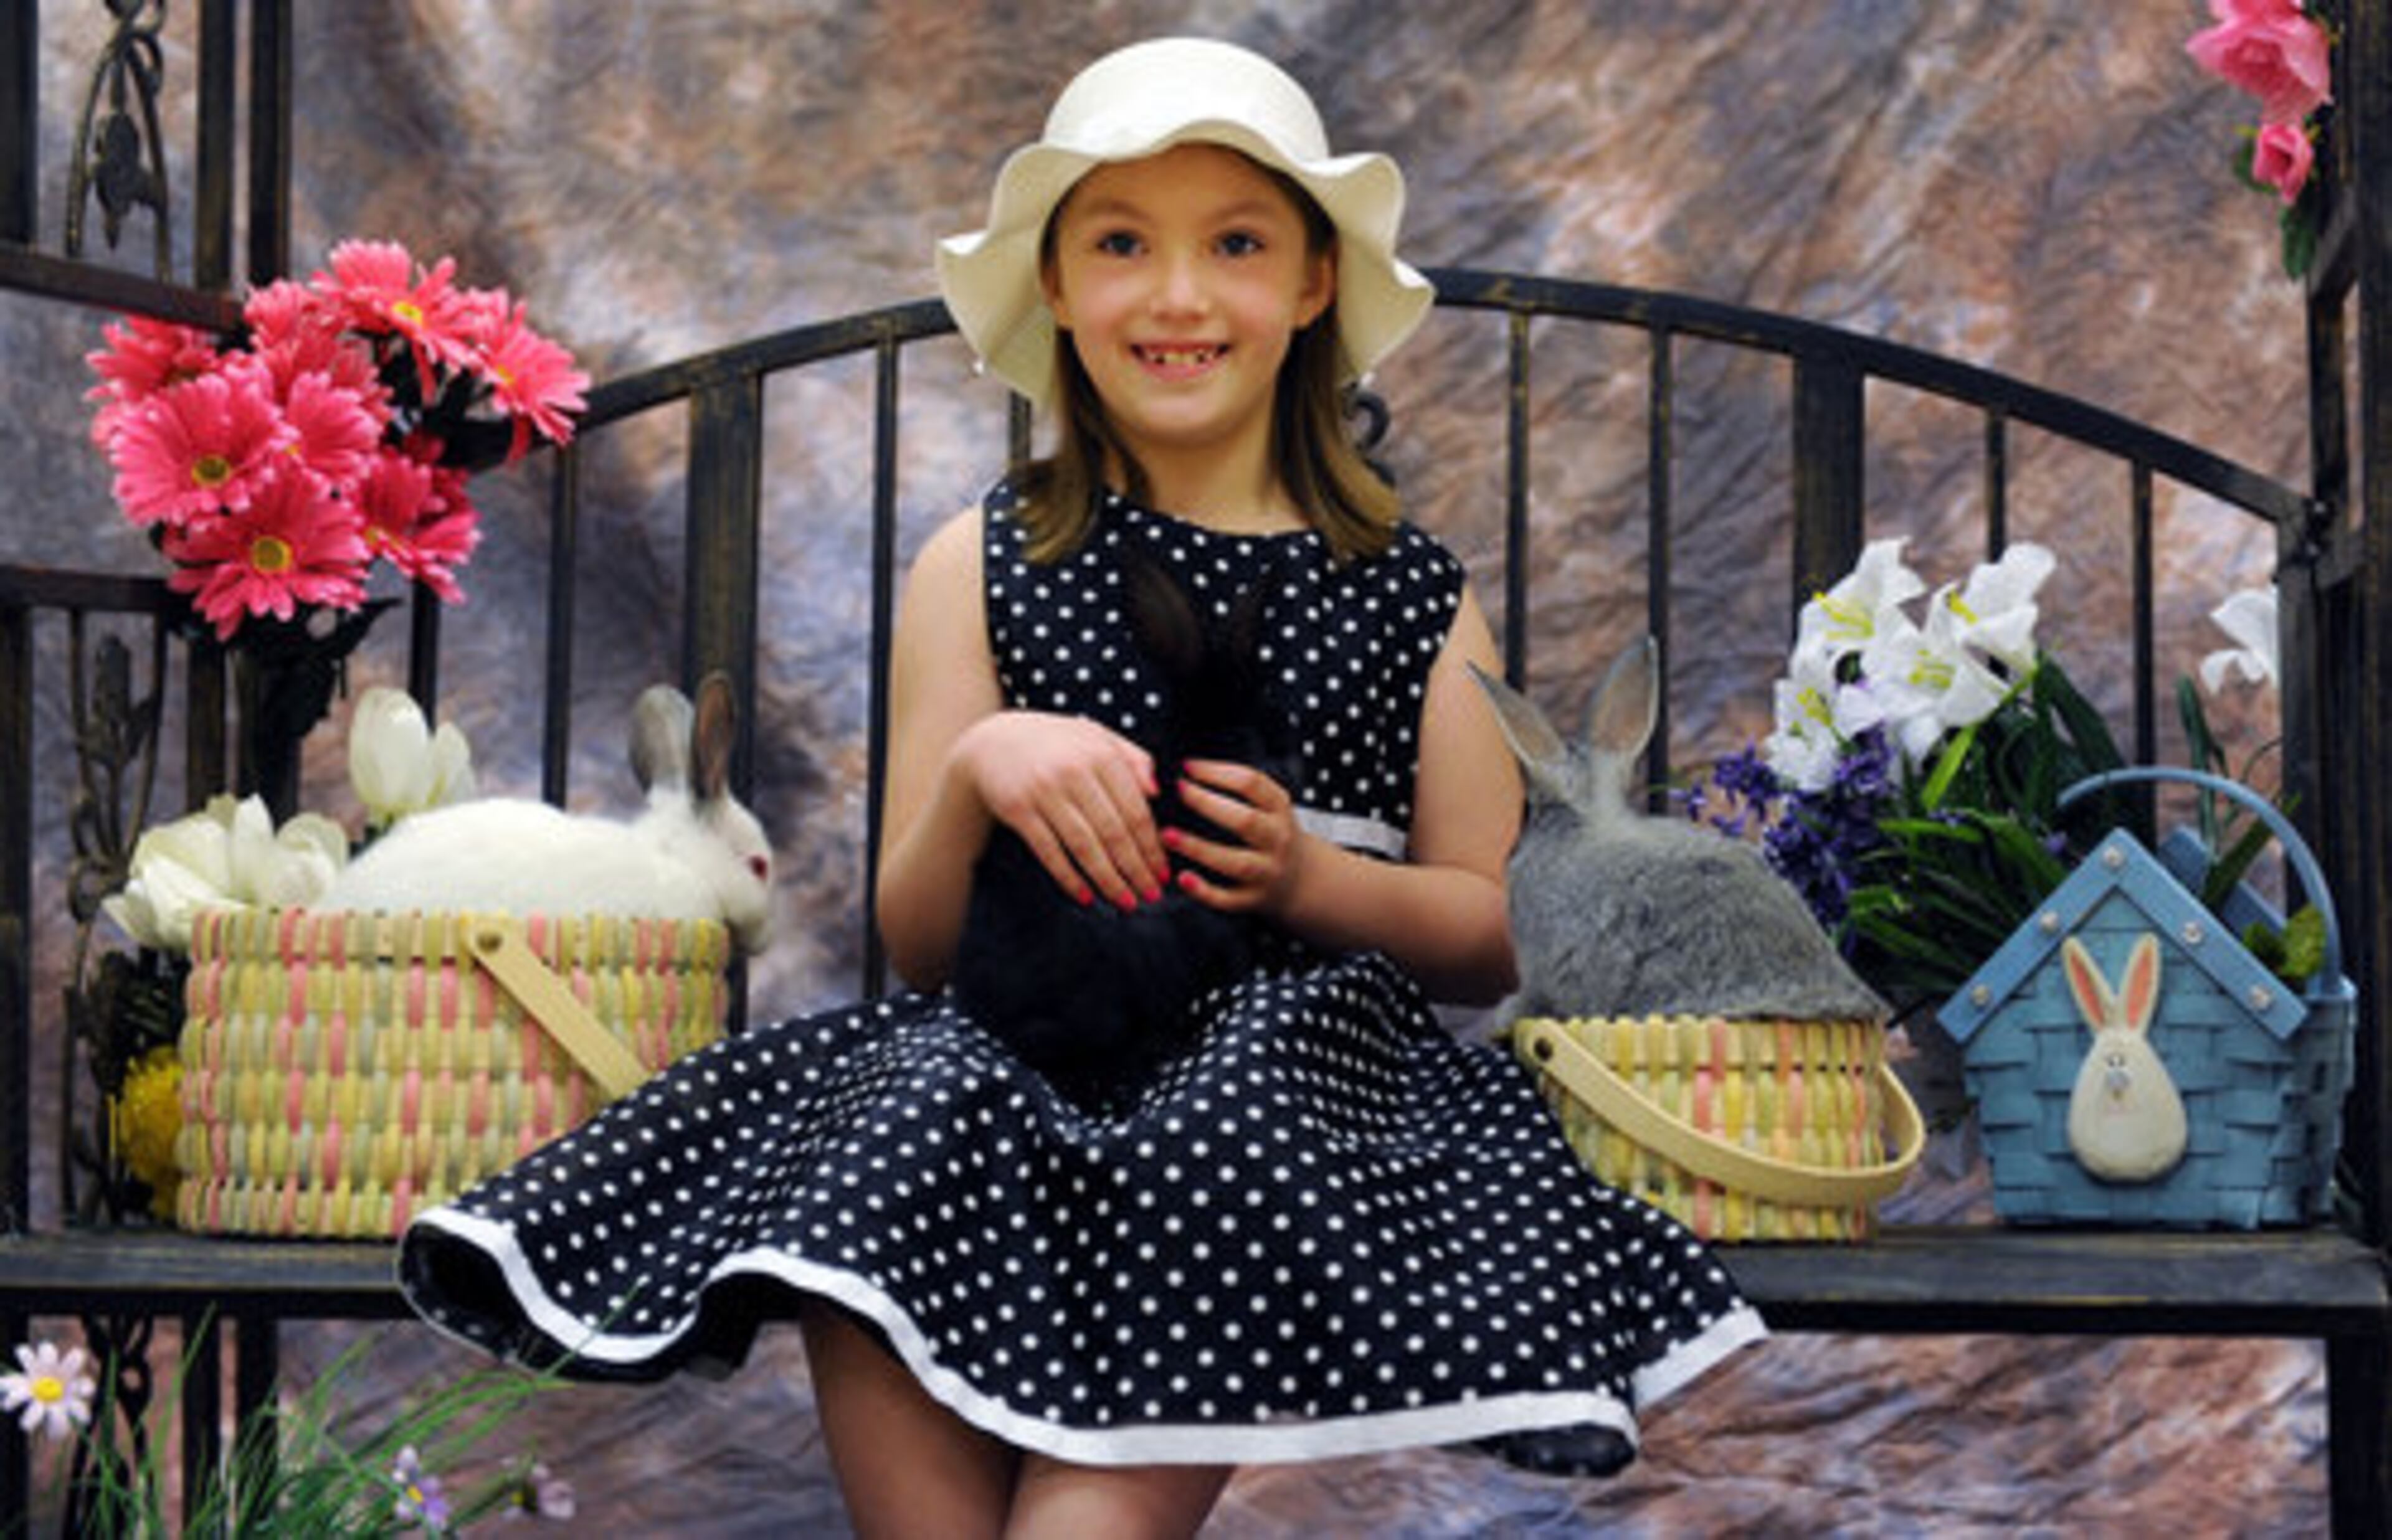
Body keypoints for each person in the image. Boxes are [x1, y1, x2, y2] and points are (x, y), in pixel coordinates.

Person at [399, 35, 1765, 1539]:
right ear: (1054, 282)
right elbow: (924, 943)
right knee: (887, 1135)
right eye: (1121, 244)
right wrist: (979, 769)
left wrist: (1311, 882)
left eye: (1236, 245)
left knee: (1219, 1131)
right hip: (1025, 1050)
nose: (1177, 296)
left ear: (1314, 282)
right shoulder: (979, 564)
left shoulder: (1407, 592)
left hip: (1282, 1090)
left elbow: (1496, 930)